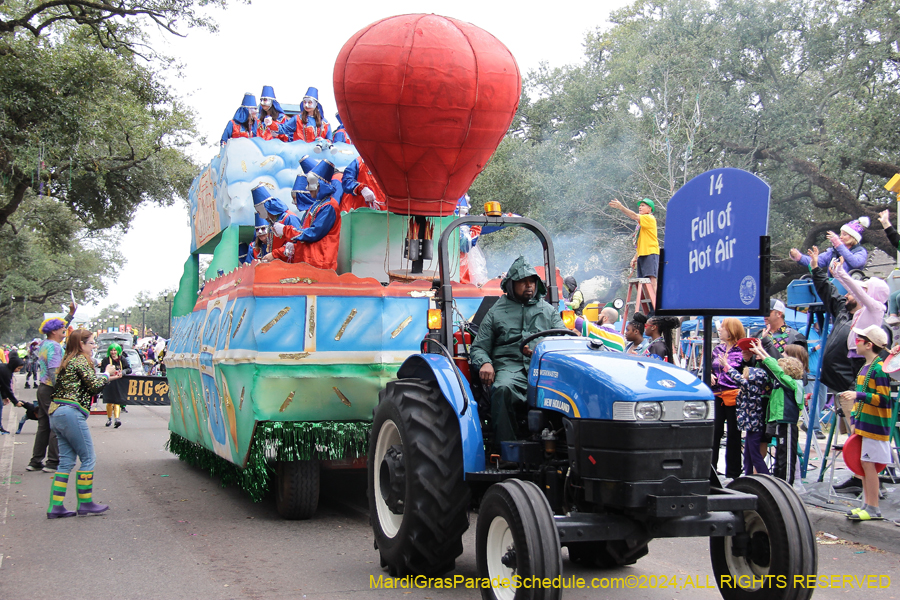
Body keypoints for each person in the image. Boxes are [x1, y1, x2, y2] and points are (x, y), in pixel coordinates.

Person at [470, 256, 566, 443]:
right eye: (523, 282)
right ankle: (508, 451)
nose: (528, 285)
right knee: (503, 389)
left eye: (531, 281)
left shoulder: (548, 311)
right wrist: (486, 363)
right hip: (509, 368)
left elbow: (562, 340)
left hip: (543, 369)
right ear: (511, 285)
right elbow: (479, 348)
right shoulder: (496, 312)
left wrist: (542, 349)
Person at [46, 329, 122, 518]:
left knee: (66, 462)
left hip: (57, 412)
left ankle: (55, 506)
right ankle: (85, 503)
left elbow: (84, 383)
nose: (94, 346)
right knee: (88, 458)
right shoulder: (81, 360)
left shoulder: (69, 360)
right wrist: (106, 373)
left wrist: (108, 378)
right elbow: (95, 386)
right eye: (91, 343)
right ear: (81, 344)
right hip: (71, 413)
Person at [840, 325, 892, 521]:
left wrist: (858, 395)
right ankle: (867, 504)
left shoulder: (879, 369)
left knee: (868, 465)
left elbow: (884, 399)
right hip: (863, 426)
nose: (856, 342)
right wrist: (854, 420)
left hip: (875, 426)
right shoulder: (865, 367)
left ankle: (873, 507)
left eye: (860, 339)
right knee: (863, 465)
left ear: (869, 345)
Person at [749, 339, 805, 485]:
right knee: (780, 455)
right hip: (779, 422)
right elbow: (775, 368)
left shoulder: (791, 383)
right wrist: (760, 350)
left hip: (787, 423)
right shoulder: (781, 384)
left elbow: (776, 369)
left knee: (786, 456)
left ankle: (786, 484)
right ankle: (779, 483)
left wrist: (762, 351)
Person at [29, 304, 76, 473]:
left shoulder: (44, 343)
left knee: (43, 425)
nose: (64, 329)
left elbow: (60, 324)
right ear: (54, 331)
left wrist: (71, 314)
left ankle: (35, 460)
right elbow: (53, 371)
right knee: (55, 425)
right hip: (51, 388)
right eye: (62, 329)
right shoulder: (55, 347)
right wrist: (61, 389)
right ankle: (53, 461)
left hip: (42, 388)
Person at [724, 337, 772, 475]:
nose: (744, 377)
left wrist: (726, 365)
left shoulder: (751, 389)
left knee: (755, 455)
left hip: (753, 426)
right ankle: (748, 475)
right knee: (748, 455)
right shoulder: (753, 388)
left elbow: (738, 378)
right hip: (750, 426)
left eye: (746, 376)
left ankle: (765, 478)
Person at [289, 160, 342, 271]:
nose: (307, 189)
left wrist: (287, 231)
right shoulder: (317, 204)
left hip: (320, 263)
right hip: (310, 261)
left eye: (309, 184)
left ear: (319, 184)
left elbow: (314, 233)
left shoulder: (329, 206)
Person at [710, 318, 746, 479]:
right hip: (717, 394)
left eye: (723, 328)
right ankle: (711, 469)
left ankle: (733, 472)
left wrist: (728, 367)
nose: (720, 330)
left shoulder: (741, 351)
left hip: (734, 394)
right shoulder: (717, 349)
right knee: (715, 431)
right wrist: (709, 375)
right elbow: (710, 366)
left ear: (732, 330)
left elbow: (745, 373)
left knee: (734, 434)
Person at [609, 197, 659, 307]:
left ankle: (657, 306)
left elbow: (634, 216)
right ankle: (651, 307)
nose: (640, 207)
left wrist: (621, 207)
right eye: (640, 205)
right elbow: (641, 243)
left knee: (651, 280)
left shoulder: (649, 218)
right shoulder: (641, 226)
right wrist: (635, 257)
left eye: (643, 205)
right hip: (642, 254)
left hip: (650, 253)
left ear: (649, 209)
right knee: (644, 282)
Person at [789, 217, 869, 275]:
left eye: (844, 235)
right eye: (841, 234)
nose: (841, 237)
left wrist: (838, 244)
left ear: (853, 237)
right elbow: (818, 261)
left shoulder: (860, 251)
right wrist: (799, 257)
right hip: (833, 287)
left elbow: (856, 263)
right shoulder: (833, 251)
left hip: (851, 290)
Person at [252, 184, 303, 263]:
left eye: (259, 212)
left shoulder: (289, 218)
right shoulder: (273, 223)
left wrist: (274, 255)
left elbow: (298, 244)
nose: (260, 216)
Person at [99, 344, 126, 428]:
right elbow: (102, 371)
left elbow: (128, 369)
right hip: (109, 383)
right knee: (109, 401)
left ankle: (117, 419)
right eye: (111, 350)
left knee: (117, 401)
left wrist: (123, 372)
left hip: (119, 382)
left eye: (115, 350)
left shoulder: (122, 359)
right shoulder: (105, 360)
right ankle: (109, 418)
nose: (113, 352)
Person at [0, 349, 24, 434]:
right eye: (18, 368)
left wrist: (4, 397)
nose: (18, 370)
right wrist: (15, 402)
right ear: (14, 366)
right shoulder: (6, 372)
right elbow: (7, 388)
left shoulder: (5, 368)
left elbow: (2, 386)